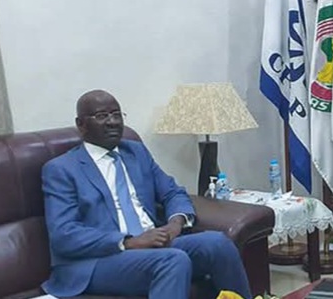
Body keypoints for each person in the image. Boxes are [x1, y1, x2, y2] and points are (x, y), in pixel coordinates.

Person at [41, 90, 252, 299]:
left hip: (153, 245)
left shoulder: (136, 152)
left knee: (218, 244)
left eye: (116, 114)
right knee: (172, 260)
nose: (112, 122)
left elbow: (172, 192)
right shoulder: (62, 169)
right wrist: (128, 242)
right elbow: (64, 234)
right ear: (81, 125)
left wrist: (176, 223)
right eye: (102, 116)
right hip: (100, 259)